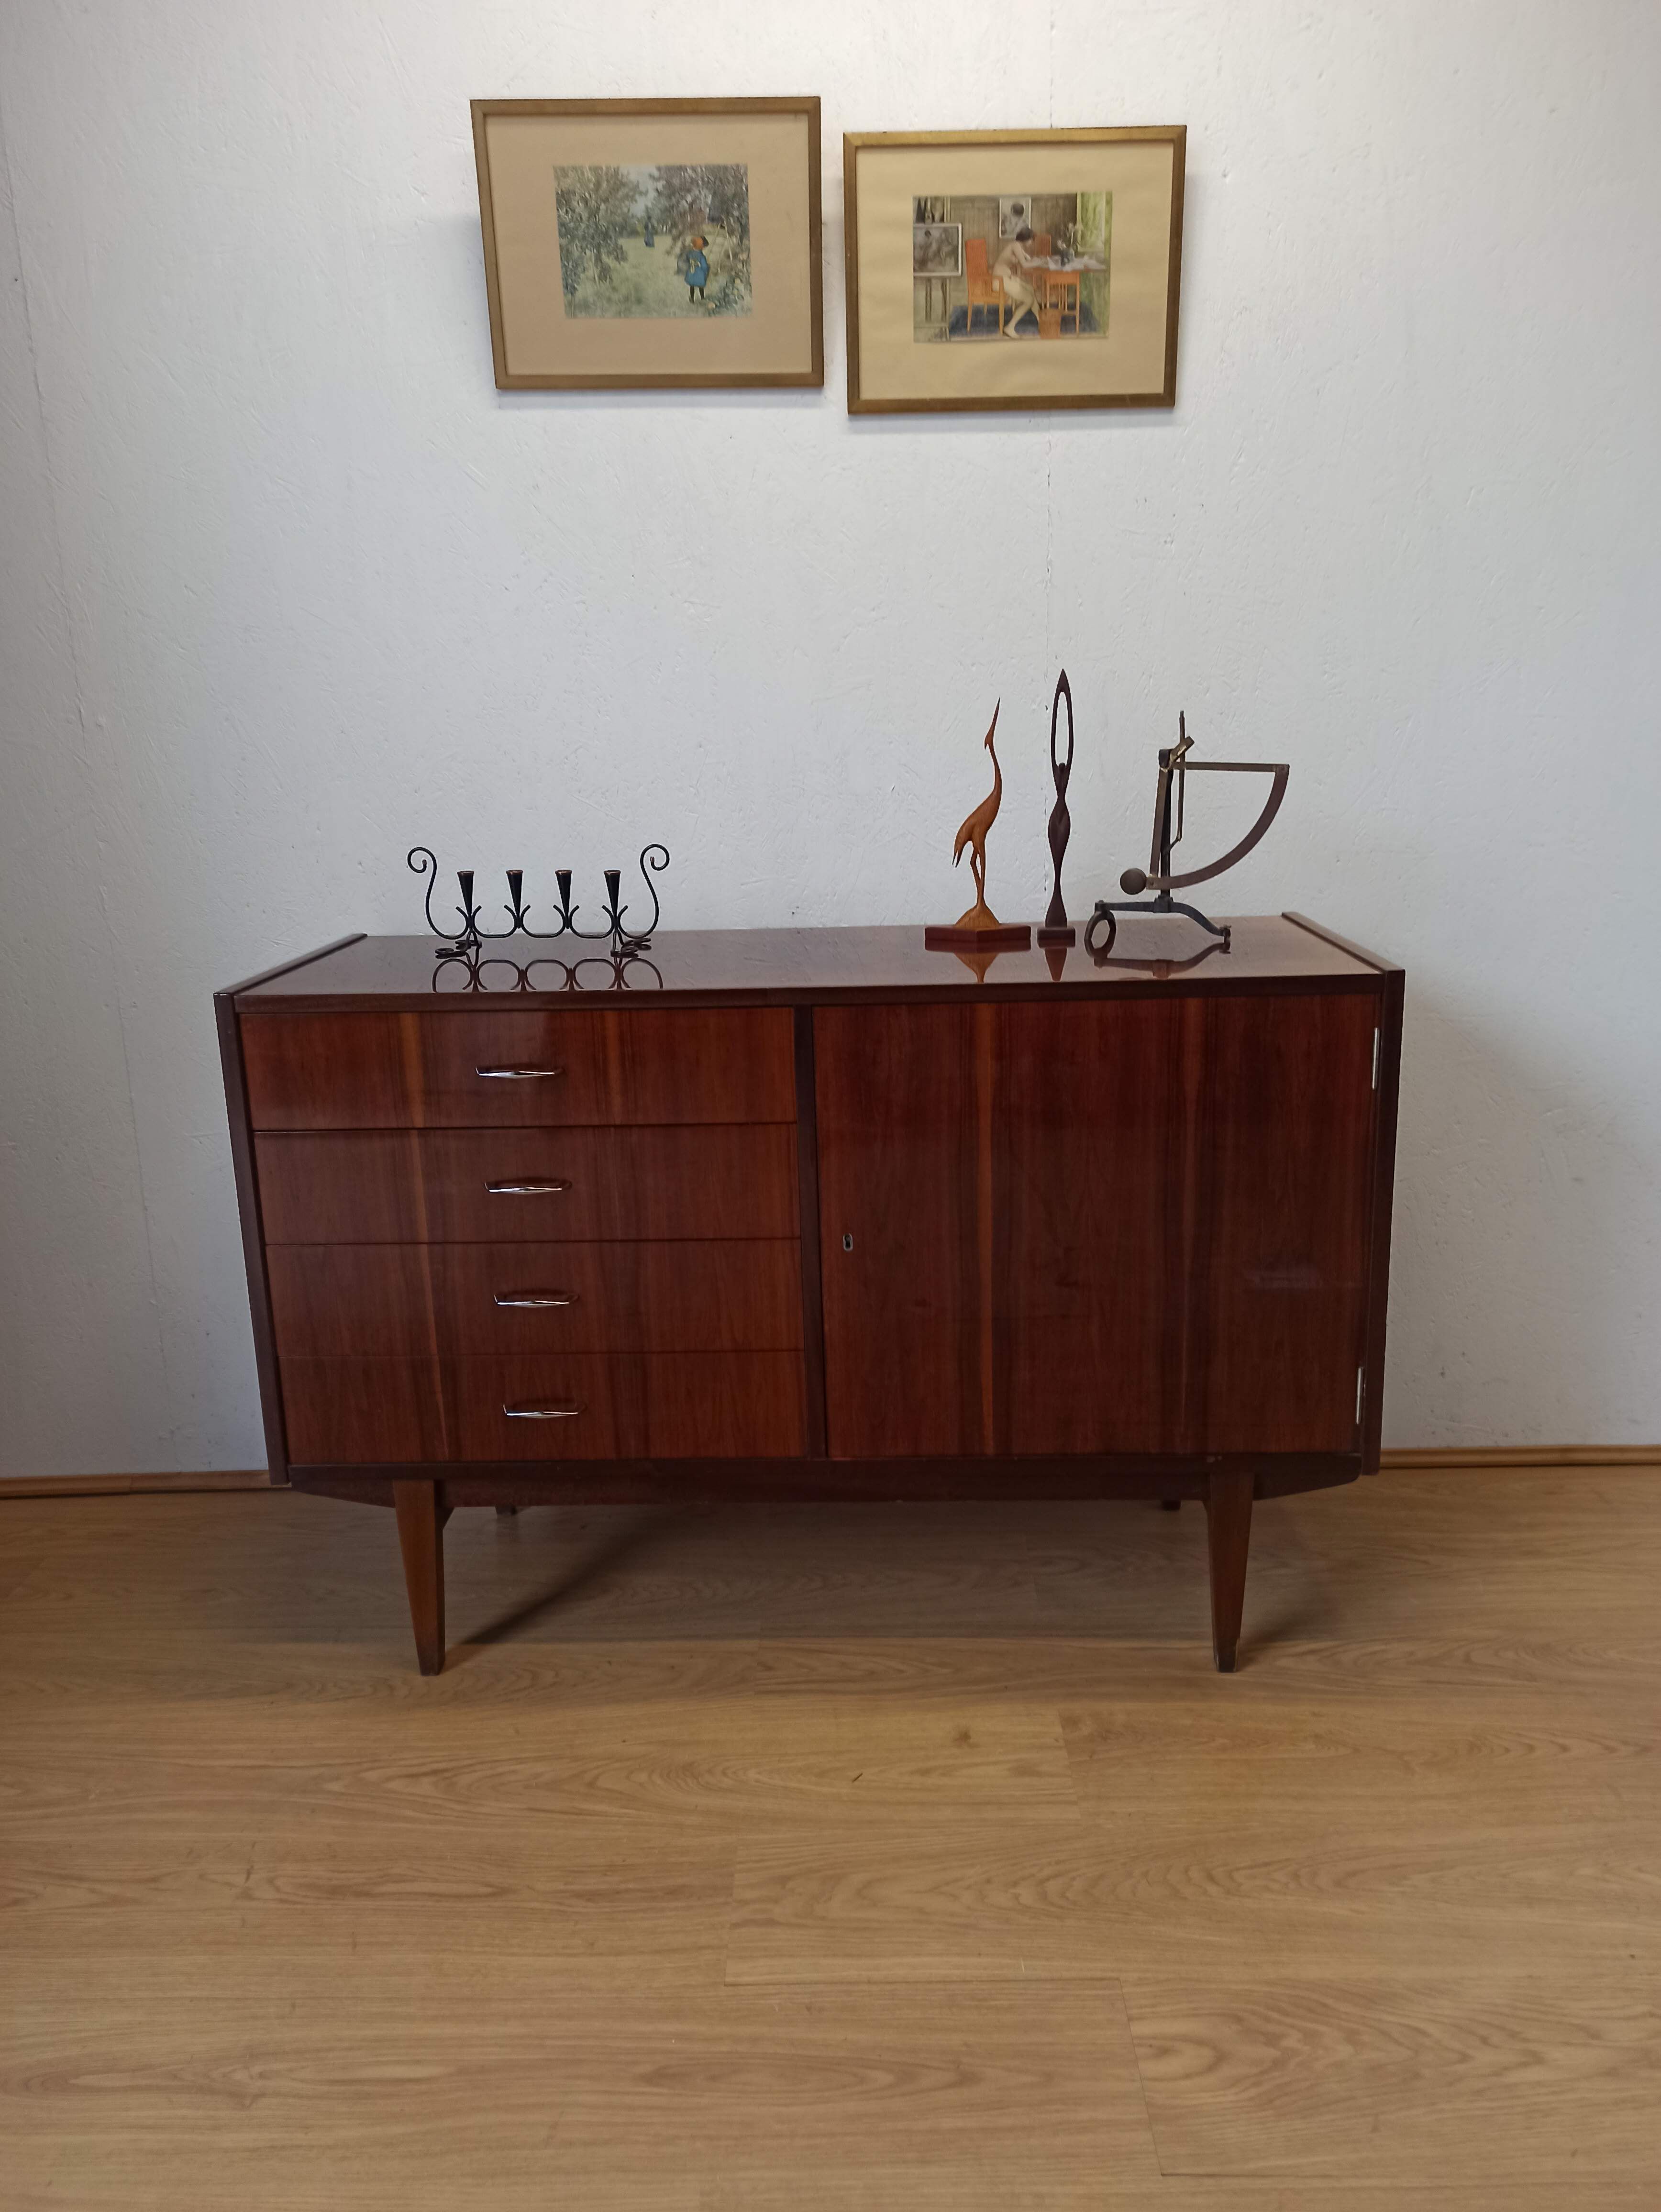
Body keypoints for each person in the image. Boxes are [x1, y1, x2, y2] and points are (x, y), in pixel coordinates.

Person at [992, 225, 1041, 336]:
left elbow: (1029, 260)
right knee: (1029, 299)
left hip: (1006, 278)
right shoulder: (1015, 246)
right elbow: (1025, 265)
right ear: (1026, 239)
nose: (1032, 243)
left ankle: (1041, 321)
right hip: (999, 281)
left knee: (1031, 289)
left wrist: (1039, 261)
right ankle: (1010, 327)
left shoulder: (1019, 247)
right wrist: (1039, 263)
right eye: (1032, 240)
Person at [682, 234, 709, 304]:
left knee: (692, 287)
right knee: (701, 287)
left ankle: (692, 299)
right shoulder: (702, 257)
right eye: (703, 247)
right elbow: (705, 266)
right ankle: (702, 298)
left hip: (692, 273)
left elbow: (688, 259)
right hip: (699, 275)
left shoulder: (690, 254)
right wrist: (707, 269)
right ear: (701, 247)